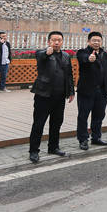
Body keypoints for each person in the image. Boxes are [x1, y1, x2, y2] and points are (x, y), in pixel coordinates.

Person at [28, 31, 75, 163]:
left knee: (56, 123)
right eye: (54, 40)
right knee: (38, 124)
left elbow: (69, 75)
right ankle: (33, 151)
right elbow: (40, 56)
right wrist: (46, 53)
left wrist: (71, 91)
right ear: (49, 41)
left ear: (62, 42)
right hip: (43, 95)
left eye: (59, 40)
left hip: (60, 96)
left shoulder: (66, 56)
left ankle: (53, 147)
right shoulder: (42, 53)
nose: (56, 42)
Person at [76, 31, 107, 150]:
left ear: (101, 41)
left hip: (102, 91)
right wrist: (89, 59)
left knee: (99, 115)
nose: (96, 42)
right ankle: (83, 139)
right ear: (88, 41)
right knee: (83, 116)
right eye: (94, 40)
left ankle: (96, 137)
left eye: (98, 40)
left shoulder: (104, 54)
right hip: (86, 91)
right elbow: (84, 59)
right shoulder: (82, 52)